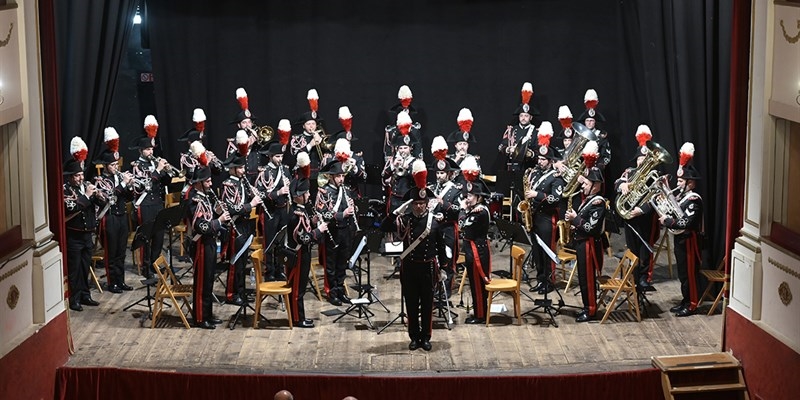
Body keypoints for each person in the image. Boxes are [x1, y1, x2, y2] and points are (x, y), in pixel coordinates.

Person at [381, 159, 447, 351]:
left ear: (427, 204)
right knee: (411, 303)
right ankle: (414, 336)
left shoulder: (434, 223)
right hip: (409, 267)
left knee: (427, 304)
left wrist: (444, 268)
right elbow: (383, 227)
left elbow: (441, 247)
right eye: (416, 203)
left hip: (428, 267)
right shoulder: (405, 220)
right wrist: (396, 212)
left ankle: (426, 336)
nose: (419, 207)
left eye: (422, 203)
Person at [660, 142, 704, 317]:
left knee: (690, 274)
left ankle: (692, 304)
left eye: (680, 181)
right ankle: (686, 300)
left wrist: (668, 221)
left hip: (689, 241)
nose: (677, 184)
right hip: (680, 240)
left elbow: (686, 221)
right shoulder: (682, 196)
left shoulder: (694, 200)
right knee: (683, 273)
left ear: (690, 183)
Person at [615, 125, 660, 291]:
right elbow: (617, 183)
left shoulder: (654, 176)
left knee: (645, 248)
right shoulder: (629, 172)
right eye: (640, 159)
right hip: (630, 217)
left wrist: (641, 210)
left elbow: (656, 197)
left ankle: (644, 278)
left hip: (645, 217)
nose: (642, 161)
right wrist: (622, 185)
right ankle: (633, 275)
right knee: (632, 247)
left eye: (645, 159)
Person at [285, 152, 328, 327]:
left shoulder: (301, 211)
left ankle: (299, 316)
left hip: (303, 254)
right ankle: (297, 318)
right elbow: (303, 238)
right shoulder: (296, 214)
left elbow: (305, 228)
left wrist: (313, 221)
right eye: (306, 193)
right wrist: (319, 231)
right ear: (298, 196)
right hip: (298, 255)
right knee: (298, 288)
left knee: (301, 287)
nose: (309, 195)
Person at [522, 122, 566, 295]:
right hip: (534, 217)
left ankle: (549, 281)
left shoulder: (556, 178)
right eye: (539, 159)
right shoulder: (534, 173)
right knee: (537, 251)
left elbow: (556, 198)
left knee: (547, 251)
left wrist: (537, 195)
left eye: (543, 160)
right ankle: (540, 279)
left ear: (550, 161)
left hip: (548, 218)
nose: (539, 162)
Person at [186, 162, 230, 329]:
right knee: (202, 282)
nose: (211, 184)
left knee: (209, 280)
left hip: (209, 243)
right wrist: (219, 221)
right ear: (199, 183)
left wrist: (217, 212)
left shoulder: (205, 196)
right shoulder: (194, 200)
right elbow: (201, 226)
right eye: (208, 181)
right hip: (201, 245)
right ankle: (199, 317)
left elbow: (208, 216)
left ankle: (208, 314)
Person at [93, 128, 136, 293]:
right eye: (112, 165)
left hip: (122, 216)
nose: (115, 167)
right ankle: (112, 283)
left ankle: (121, 280)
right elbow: (109, 197)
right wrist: (123, 184)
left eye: (116, 164)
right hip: (109, 218)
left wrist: (130, 186)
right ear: (105, 166)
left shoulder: (119, 178)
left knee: (121, 251)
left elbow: (129, 197)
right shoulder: (100, 180)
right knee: (111, 253)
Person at [63, 137, 103, 311]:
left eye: (81, 175)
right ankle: (75, 299)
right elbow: (71, 207)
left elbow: (100, 204)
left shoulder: (85, 186)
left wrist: (99, 196)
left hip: (87, 234)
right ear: (70, 177)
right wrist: (87, 196)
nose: (80, 178)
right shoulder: (65, 190)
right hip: (74, 235)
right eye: (77, 175)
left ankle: (86, 295)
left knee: (86, 266)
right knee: (75, 269)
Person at [130, 115, 172, 277]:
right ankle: (146, 267)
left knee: (159, 237)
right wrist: (158, 170)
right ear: (141, 151)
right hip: (145, 204)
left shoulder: (155, 163)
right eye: (147, 150)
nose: (150, 152)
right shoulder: (137, 166)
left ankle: (154, 263)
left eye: (152, 149)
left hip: (157, 203)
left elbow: (165, 182)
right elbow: (145, 184)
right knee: (147, 237)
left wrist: (167, 171)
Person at [565, 162, 607, 323]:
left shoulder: (598, 203)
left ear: (595, 186)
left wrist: (575, 219)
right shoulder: (589, 200)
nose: (582, 186)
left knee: (588, 279)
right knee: (583, 277)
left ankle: (590, 310)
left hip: (590, 245)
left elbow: (591, 227)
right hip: (582, 243)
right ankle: (586, 306)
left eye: (586, 184)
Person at [220, 150, 262, 305]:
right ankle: (232, 294)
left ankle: (241, 291)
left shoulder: (242, 181)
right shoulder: (228, 185)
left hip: (245, 224)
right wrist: (251, 204)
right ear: (232, 169)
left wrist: (254, 194)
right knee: (235, 262)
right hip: (235, 226)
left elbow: (244, 199)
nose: (243, 170)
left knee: (243, 262)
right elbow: (231, 209)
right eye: (240, 168)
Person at [315, 159, 357, 306]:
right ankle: (332, 292)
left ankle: (340, 290)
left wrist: (353, 208)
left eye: (342, 176)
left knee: (342, 263)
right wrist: (342, 214)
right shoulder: (324, 192)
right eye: (338, 176)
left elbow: (349, 208)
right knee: (331, 265)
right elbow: (322, 214)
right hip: (331, 233)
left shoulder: (345, 190)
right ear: (331, 177)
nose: (341, 179)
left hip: (345, 230)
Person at [255, 140, 292, 281]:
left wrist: (289, 187)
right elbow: (260, 194)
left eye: (281, 156)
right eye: (277, 156)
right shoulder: (264, 172)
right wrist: (278, 192)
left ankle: (279, 269)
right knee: (270, 242)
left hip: (283, 210)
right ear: (270, 156)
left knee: (281, 241)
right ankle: (269, 271)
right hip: (270, 211)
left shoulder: (285, 170)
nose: (280, 159)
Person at [459, 174, 493, 324]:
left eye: (471, 195)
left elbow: (462, 226)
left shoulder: (480, 212)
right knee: (474, 283)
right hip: (473, 250)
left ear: (479, 198)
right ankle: (479, 312)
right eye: (468, 195)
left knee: (478, 285)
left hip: (477, 251)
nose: (467, 198)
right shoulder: (475, 210)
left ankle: (480, 315)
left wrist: (462, 210)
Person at [288, 89, 327, 197]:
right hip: (304, 175)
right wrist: (310, 145)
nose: (311, 126)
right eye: (308, 124)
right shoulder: (297, 138)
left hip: (320, 176)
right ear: (303, 126)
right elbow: (295, 154)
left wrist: (322, 144)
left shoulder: (321, 136)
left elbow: (328, 153)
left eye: (313, 124)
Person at [497, 82, 539, 172]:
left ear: (531, 117)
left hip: (529, 168)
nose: (523, 118)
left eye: (526, 116)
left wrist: (530, 154)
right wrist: (508, 149)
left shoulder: (535, 132)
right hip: (512, 167)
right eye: (521, 115)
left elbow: (540, 151)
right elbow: (501, 147)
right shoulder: (511, 130)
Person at [231, 87, 264, 183]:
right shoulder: (233, 142)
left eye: (249, 122)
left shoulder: (256, 137)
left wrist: (259, 139)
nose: (247, 125)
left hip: (258, 177)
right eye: (244, 123)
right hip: (243, 177)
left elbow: (267, 151)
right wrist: (248, 143)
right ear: (239, 125)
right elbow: (233, 159)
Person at [577, 89, 611, 170]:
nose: (589, 123)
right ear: (585, 122)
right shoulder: (579, 135)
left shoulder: (601, 136)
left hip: (596, 169)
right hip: (580, 169)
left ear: (595, 122)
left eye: (591, 121)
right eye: (587, 121)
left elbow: (606, 156)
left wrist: (598, 166)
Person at [382, 134, 415, 215]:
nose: (403, 150)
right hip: (394, 199)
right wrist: (393, 166)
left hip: (408, 199)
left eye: (405, 148)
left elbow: (417, 180)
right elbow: (384, 176)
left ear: (410, 148)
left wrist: (407, 169)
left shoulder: (415, 162)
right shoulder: (393, 160)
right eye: (401, 148)